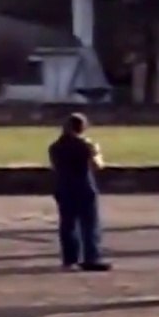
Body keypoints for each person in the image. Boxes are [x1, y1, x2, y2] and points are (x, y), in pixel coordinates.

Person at [48, 114, 111, 272]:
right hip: (84, 186)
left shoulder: (55, 146)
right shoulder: (85, 145)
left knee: (67, 224)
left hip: (63, 186)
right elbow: (98, 165)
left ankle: (69, 259)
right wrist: (96, 151)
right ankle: (91, 258)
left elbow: (55, 166)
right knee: (89, 224)